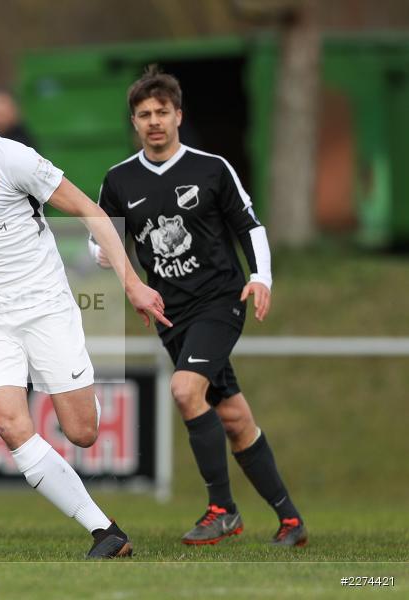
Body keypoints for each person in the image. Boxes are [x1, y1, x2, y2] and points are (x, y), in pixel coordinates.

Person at [0, 57, 171, 559]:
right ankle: (105, 531)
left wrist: (132, 282)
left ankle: (80, 392)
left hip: (43, 304)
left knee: (83, 432)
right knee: (8, 422)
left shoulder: (11, 158)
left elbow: (91, 210)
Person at [90, 65, 307, 547]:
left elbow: (250, 227)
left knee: (186, 391)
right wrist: (102, 253)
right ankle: (291, 520)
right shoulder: (119, 180)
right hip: (172, 315)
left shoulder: (211, 168)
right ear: (134, 122)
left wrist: (260, 277)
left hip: (220, 301)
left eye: (162, 112)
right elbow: (101, 238)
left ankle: (222, 510)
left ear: (178, 115)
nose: (154, 121)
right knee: (233, 417)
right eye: (144, 114)